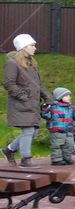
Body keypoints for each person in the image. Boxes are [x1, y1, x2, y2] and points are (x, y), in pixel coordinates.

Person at [2, 34, 52, 168]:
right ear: (23, 47)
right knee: (29, 131)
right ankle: (26, 159)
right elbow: (9, 83)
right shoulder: (12, 64)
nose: (35, 48)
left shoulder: (32, 64)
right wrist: (23, 96)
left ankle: (9, 149)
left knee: (32, 131)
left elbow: (38, 85)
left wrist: (48, 98)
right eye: (32, 45)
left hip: (33, 104)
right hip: (21, 104)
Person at [41, 87, 75, 166]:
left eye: (69, 96)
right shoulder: (52, 107)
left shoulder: (71, 107)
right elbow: (46, 116)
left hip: (68, 130)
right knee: (57, 145)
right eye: (67, 96)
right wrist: (44, 109)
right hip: (57, 131)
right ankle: (56, 159)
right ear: (60, 97)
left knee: (70, 145)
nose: (69, 97)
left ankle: (67, 157)